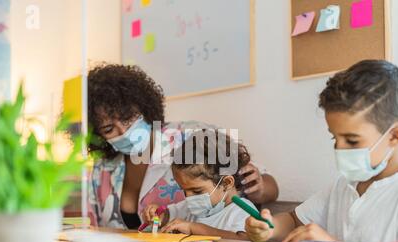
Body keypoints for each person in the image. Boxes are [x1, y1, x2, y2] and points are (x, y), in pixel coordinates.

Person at [87, 63, 279, 229]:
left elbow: (269, 186)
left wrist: (260, 188)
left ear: (144, 107)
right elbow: (93, 229)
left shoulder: (192, 137)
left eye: (128, 118)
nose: (124, 131)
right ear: (97, 134)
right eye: (109, 128)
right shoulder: (102, 167)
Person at [246, 60, 398, 242]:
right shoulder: (344, 185)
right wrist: (270, 228)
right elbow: (294, 221)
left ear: (395, 136)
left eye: (352, 141)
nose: (339, 149)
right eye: (334, 139)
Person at [142, 130, 252, 240]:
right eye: (184, 191)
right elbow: (167, 216)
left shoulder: (242, 210)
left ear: (226, 183)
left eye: (197, 191)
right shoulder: (191, 207)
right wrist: (157, 215)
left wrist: (194, 228)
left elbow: (244, 240)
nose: (189, 197)